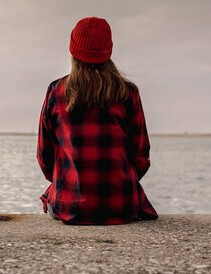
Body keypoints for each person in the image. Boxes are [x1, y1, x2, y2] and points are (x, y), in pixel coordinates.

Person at [37, 17, 158, 224]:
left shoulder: (56, 92)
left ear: (73, 49)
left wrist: (69, 182)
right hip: (122, 205)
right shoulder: (128, 93)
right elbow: (140, 156)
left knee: (51, 196)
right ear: (108, 50)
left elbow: (44, 155)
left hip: (70, 205)